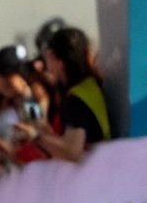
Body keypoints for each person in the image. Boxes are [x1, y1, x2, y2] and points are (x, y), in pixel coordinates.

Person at [14, 26, 109, 163]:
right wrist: (45, 134)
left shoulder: (75, 99)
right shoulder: (89, 85)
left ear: (54, 58)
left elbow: (72, 151)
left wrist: (35, 135)